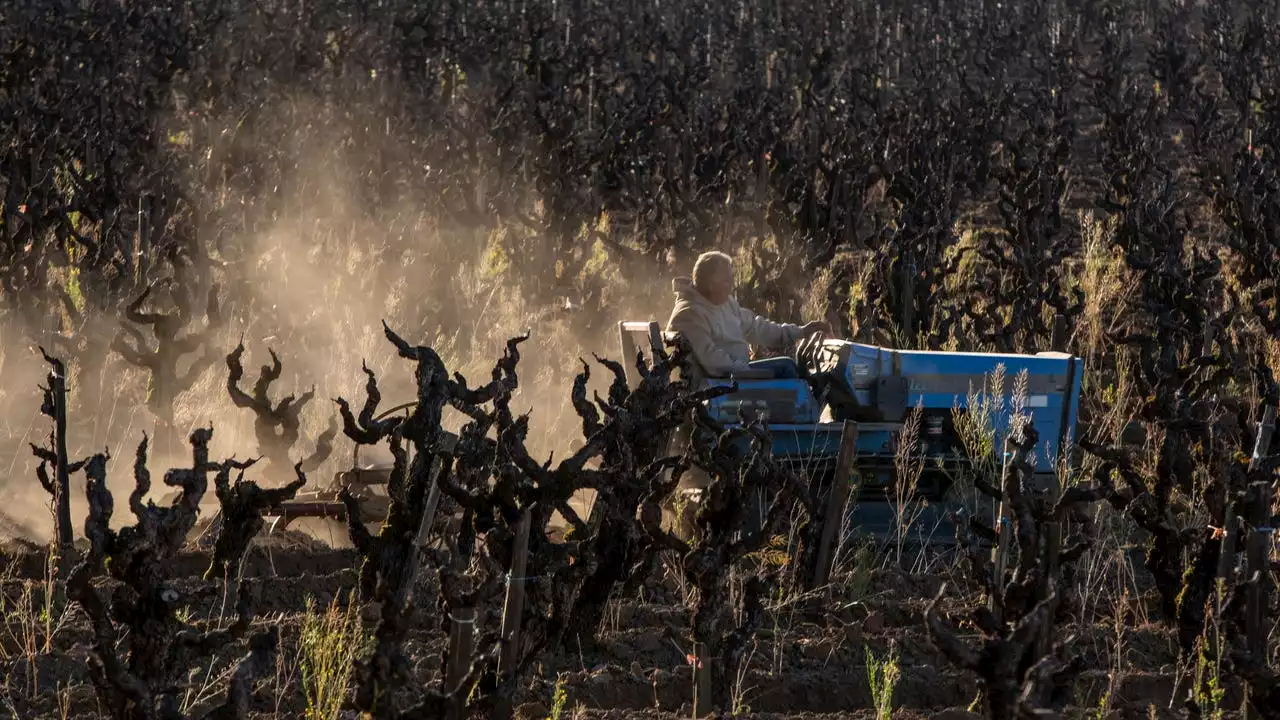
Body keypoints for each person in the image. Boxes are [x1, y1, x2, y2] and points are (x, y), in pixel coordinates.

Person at [665, 250, 828, 384]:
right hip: (718, 384)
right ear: (709, 283)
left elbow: (756, 328)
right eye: (726, 281)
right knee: (787, 371)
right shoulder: (689, 314)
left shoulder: (724, 303)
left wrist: (798, 332)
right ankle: (799, 418)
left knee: (787, 364)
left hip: (734, 375)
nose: (731, 286)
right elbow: (713, 362)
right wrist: (747, 372)